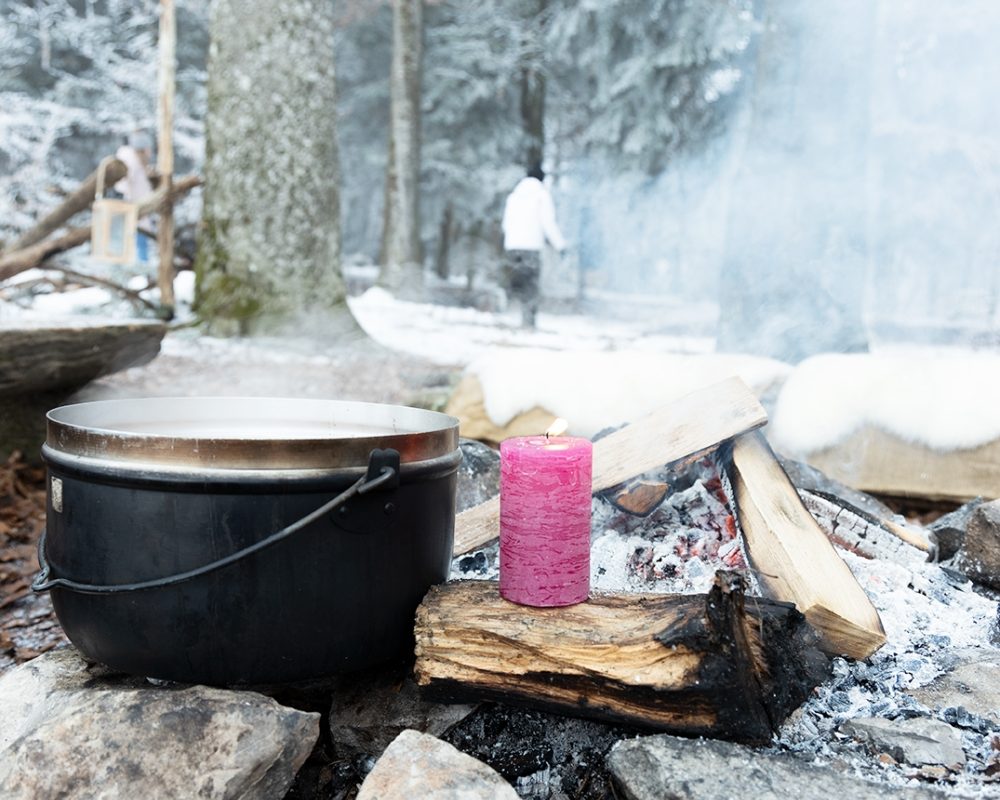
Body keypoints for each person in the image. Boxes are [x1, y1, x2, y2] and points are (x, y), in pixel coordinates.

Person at [501, 162, 567, 328]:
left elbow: (506, 223)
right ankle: (528, 323)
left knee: (517, 281)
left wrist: (510, 242)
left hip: (512, 245)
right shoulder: (541, 196)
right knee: (530, 286)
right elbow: (548, 223)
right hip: (531, 247)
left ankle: (505, 311)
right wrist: (560, 245)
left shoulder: (513, 196)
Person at [114, 130, 155, 263]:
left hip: (141, 206)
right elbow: (124, 184)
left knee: (141, 237)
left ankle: (141, 263)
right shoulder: (131, 160)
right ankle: (138, 266)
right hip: (133, 205)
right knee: (136, 237)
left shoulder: (140, 162)